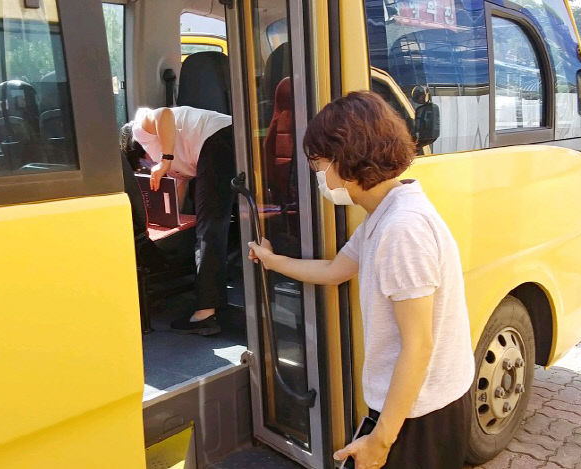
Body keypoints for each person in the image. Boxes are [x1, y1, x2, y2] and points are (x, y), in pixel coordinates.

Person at [248, 91, 475, 469]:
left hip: (421, 412)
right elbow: (336, 271)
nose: (317, 175)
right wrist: (272, 262)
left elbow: (417, 345)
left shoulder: (402, 229)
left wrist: (381, 440)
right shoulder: (384, 214)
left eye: (318, 163)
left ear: (347, 158)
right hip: (407, 404)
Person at [129, 106, 234, 336]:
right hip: (224, 138)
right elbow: (181, 184)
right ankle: (212, 301)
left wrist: (164, 161)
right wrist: (169, 220)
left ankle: (205, 313)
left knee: (210, 226)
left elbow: (164, 113)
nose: (148, 168)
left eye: (144, 165)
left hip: (217, 137)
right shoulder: (173, 156)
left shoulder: (139, 130)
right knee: (214, 222)